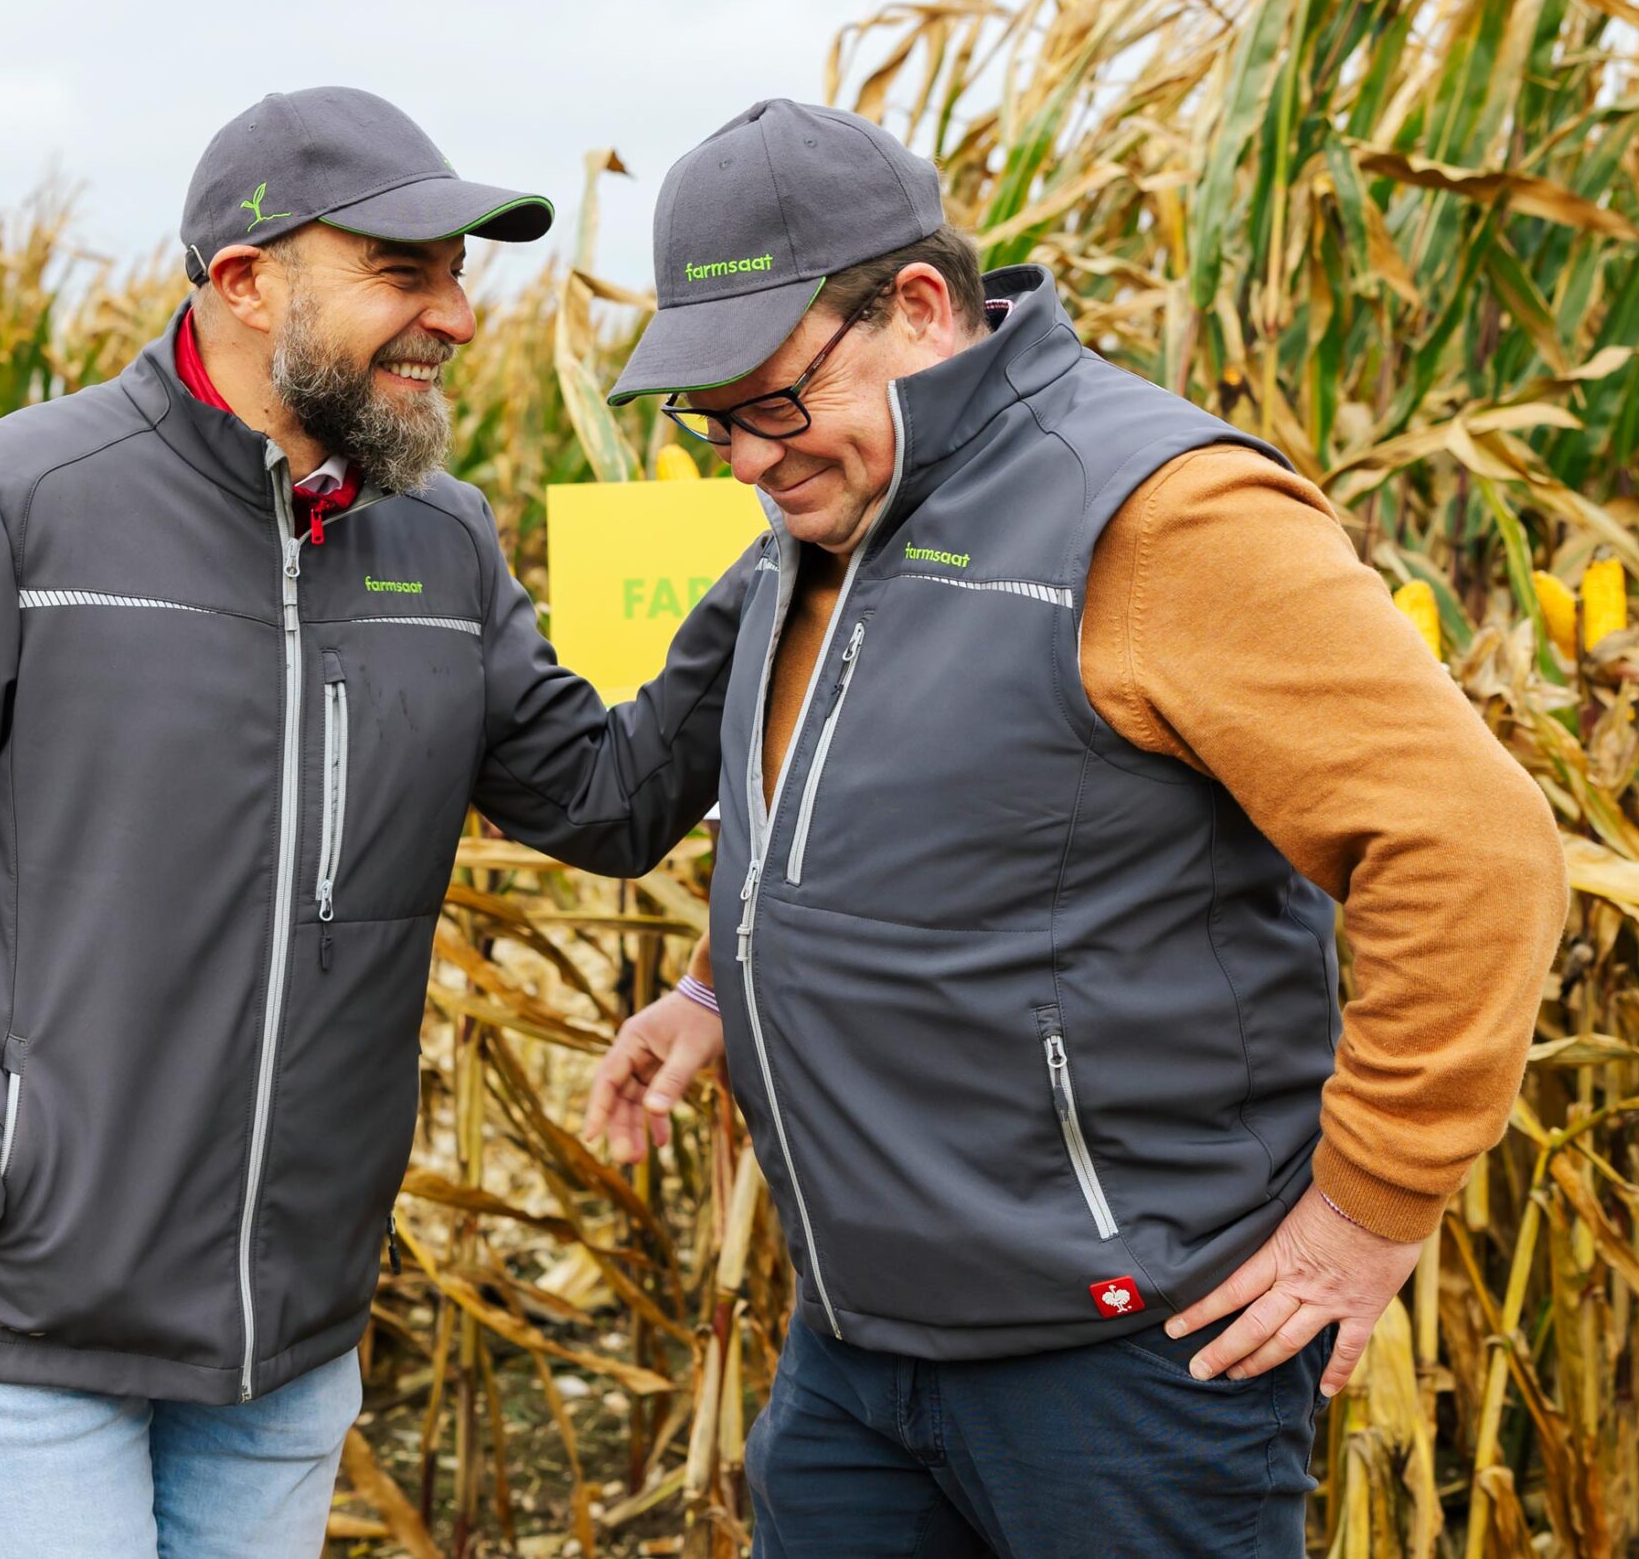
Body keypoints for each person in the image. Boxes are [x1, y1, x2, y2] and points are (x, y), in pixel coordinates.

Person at [0, 87, 746, 1557]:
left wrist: (785, 562)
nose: (457, 318)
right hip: (31, 1303)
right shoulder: (7, 509)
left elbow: (608, 797)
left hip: (290, 1313)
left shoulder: (439, 540)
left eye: (459, 277)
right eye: (404, 273)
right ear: (249, 282)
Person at [582, 98, 1565, 1557]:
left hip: (1125, 1368)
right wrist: (717, 985)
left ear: (922, 308)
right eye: (712, 417)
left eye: (771, 401)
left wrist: (1371, 1208)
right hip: (855, 1347)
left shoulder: (1161, 516)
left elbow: (1472, 848)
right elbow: (864, 814)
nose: (743, 458)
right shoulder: (826, 513)